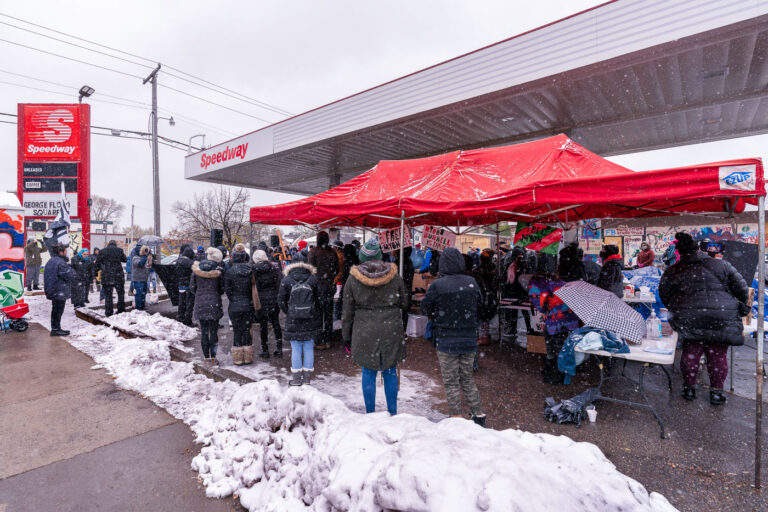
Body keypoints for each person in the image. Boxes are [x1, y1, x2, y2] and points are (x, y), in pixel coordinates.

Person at [659, 232, 749, 405]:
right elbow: (742, 289)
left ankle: (689, 389)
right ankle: (716, 392)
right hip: (721, 315)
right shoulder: (721, 264)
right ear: (699, 249)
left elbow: (664, 293)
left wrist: (678, 306)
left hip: (689, 316)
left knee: (691, 352)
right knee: (717, 355)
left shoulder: (673, 270)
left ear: (679, 252)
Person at [342, 239, 409, 415]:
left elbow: (347, 311)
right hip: (390, 328)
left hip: (364, 330)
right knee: (390, 370)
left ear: (362, 256)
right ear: (380, 256)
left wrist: (346, 336)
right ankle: (393, 413)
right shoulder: (394, 276)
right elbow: (405, 302)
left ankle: (370, 413)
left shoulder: (353, 279)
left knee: (368, 371)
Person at [421, 247, 486, 426]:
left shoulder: (438, 285)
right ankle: (478, 415)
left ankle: (456, 417)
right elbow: (481, 308)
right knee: (467, 378)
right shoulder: (472, 282)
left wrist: (440, 316)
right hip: (468, 338)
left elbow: (426, 308)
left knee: (451, 381)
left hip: (446, 339)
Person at [528, 271, 580, 384]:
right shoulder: (562, 283)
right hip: (570, 319)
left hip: (555, 321)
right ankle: (561, 373)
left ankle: (553, 374)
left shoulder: (535, 285)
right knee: (562, 347)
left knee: (551, 347)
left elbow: (540, 305)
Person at [278, 259, 321, 386]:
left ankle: (296, 380)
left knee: (296, 348)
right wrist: (313, 311)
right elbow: (320, 299)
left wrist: (289, 311)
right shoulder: (313, 279)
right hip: (310, 318)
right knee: (308, 348)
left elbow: (280, 300)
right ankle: (307, 380)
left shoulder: (286, 280)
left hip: (293, 319)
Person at [190, 247, 224, 365]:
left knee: (204, 331)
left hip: (200, 303)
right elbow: (222, 289)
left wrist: (200, 293)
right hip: (214, 303)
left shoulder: (197, 269)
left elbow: (192, 288)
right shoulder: (219, 271)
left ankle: (206, 357)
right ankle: (213, 357)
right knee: (213, 331)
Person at [307, 230, 339, 350]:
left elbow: (310, 269)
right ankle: (328, 340)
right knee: (329, 314)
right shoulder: (332, 252)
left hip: (317, 286)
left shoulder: (313, 252)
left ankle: (319, 340)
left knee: (318, 314)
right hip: (329, 285)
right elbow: (336, 268)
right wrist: (329, 276)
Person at [224, 244, 255, 366]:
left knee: (237, 331)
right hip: (248, 304)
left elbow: (228, 290)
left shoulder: (229, 272)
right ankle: (248, 357)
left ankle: (238, 358)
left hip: (235, 306)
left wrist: (234, 299)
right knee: (247, 330)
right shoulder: (250, 270)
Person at [252, 249, 283, 358]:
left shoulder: (254, 270)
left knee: (263, 326)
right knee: (276, 323)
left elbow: (254, 286)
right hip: (274, 299)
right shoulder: (274, 268)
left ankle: (265, 350)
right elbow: (279, 283)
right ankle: (279, 348)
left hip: (261, 300)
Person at [501, 247, 532, 340]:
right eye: (518, 256)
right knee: (514, 311)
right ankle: (513, 329)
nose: (520, 257)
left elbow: (526, 278)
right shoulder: (510, 265)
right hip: (513, 292)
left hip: (522, 292)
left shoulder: (525, 265)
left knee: (525, 311)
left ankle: (529, 329)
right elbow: (507, 279)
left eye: (521, 255)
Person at [44, 244, 74, 336]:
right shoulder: (60, 263)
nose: (66, 252)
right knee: (58, 310)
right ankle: (56, 329)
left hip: (53, 289)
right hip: (59, 290)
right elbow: (70, 275)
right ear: (61, 252)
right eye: (65, 251)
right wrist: (72, 268)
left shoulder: (52, 261)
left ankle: (55, 328)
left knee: (55, 309)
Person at [472, 249, 498, 345]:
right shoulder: (495, 269)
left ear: (481, 259)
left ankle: (483, 337)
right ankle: (485, 336)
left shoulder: (477, 271)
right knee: (486, 317)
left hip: (482, 296)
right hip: (492, 297)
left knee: (481, 316)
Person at [96, 240, 127, 317]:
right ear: (115, 244)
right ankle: (121, 309)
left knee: (108, 295)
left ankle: (109, 312)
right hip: (118, 275)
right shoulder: (119, 250)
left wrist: (96, 272)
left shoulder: (102, 251)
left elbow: (97, 263)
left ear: (108, 244)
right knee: (120, 294)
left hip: (107, 276)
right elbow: (125, 260)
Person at [175, 245, 196, 326]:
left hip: (181, 285)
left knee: (181, 303)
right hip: (188, 285)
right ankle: (188, 321)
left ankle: (181, 317)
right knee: (189, 304)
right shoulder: (190, 263)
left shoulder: (178, 261)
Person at [131, 246, 153, 311]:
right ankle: (138, 308)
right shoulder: (135, 258)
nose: (146, 252)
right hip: (138, 279)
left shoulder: (145, 258)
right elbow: (140, 264)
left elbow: (149, 268)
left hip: (144, 279)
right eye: (145, 251)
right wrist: (145, 257)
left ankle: (142, 307)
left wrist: (150, 260)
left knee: (143, 294)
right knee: (138, 294)